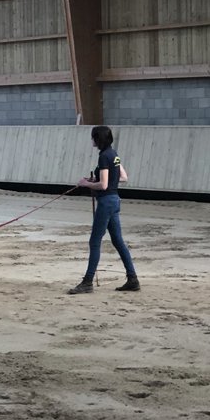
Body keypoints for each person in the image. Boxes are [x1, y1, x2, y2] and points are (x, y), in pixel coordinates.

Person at [68, 125, 140, 294]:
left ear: (98, 138)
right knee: (118, 241)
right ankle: (132, 279)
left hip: (106, 202)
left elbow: (104, 185)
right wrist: (98, 179)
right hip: (114, 201)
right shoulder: (114, 155)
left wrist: (86, 183)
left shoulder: (103, 157)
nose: (92, 140)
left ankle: (87, 282)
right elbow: (123, 177)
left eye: (93, 137)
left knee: (95, 241)